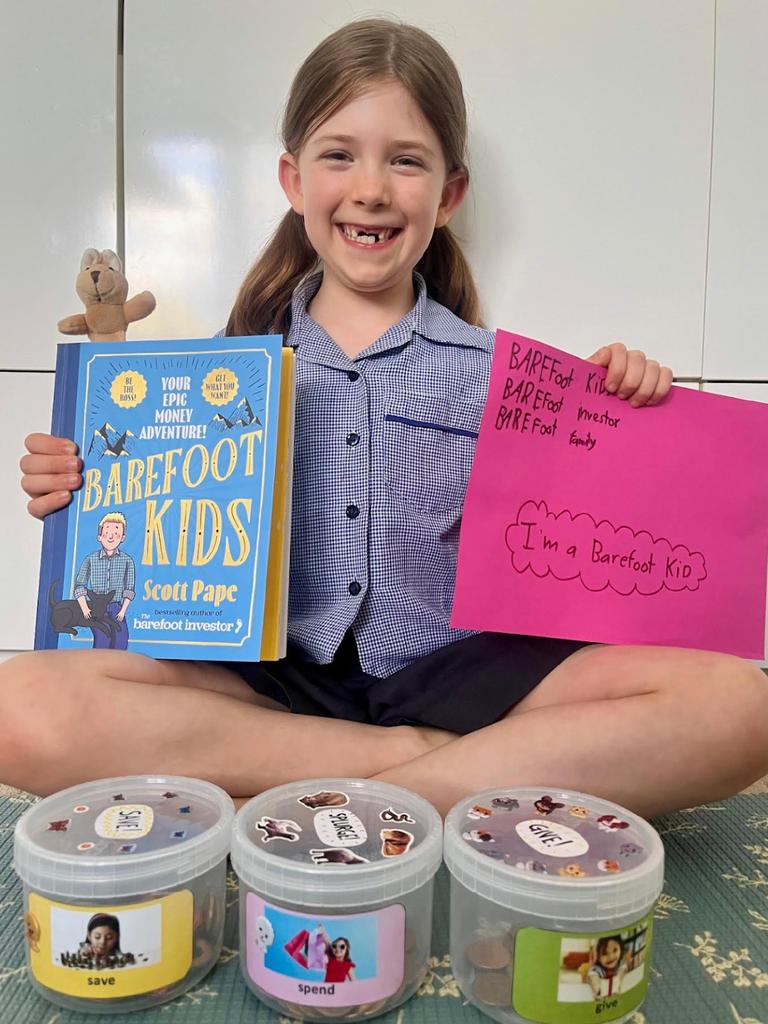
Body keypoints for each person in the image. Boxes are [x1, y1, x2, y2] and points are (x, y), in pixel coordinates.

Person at [4, 18, 768, 819]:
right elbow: (132, 558)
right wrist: (81, 482)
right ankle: (415, 772)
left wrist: (631, 406)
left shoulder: (507, 378)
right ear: (294, 182)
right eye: (340, 155)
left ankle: (341, 792)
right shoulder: (216, 380)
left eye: (405, 161)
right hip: (270, 687)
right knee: (22, 702)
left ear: (450, 195)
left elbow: (602, 550)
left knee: (736, 702)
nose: (370, 188)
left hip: (460, 681)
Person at [73, 511, 135, 650]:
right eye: (107, 533)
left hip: (116, 607)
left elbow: (129, 589)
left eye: (116, 534)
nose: (111, 537)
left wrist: (123, 611)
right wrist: (84, 608)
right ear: (99, 537)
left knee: (120, 642)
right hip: (96, 608)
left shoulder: (127, 561)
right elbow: (79, 586)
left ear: (122, 537)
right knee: (102, 641)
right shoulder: (90, 559)